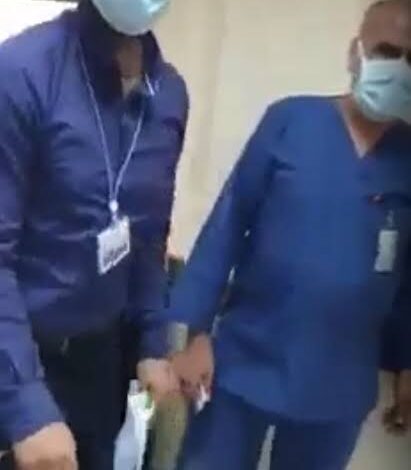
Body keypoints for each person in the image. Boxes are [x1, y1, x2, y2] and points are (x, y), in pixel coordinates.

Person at [169, 1, 411, 468]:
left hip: (339, 382)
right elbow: (228, 224)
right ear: (356, 53)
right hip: (243, 360)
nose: (399, 68)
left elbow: (408, 282)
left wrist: (405, 364)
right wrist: (196, 334)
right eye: (387, 51)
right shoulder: (291, 120)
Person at [0, 0, 189, 469]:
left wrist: (151, 343)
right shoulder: (22, 72)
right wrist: (25, 405)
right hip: (18, 354)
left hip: (101, 363)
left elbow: (149, 238)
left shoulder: (168, 94)